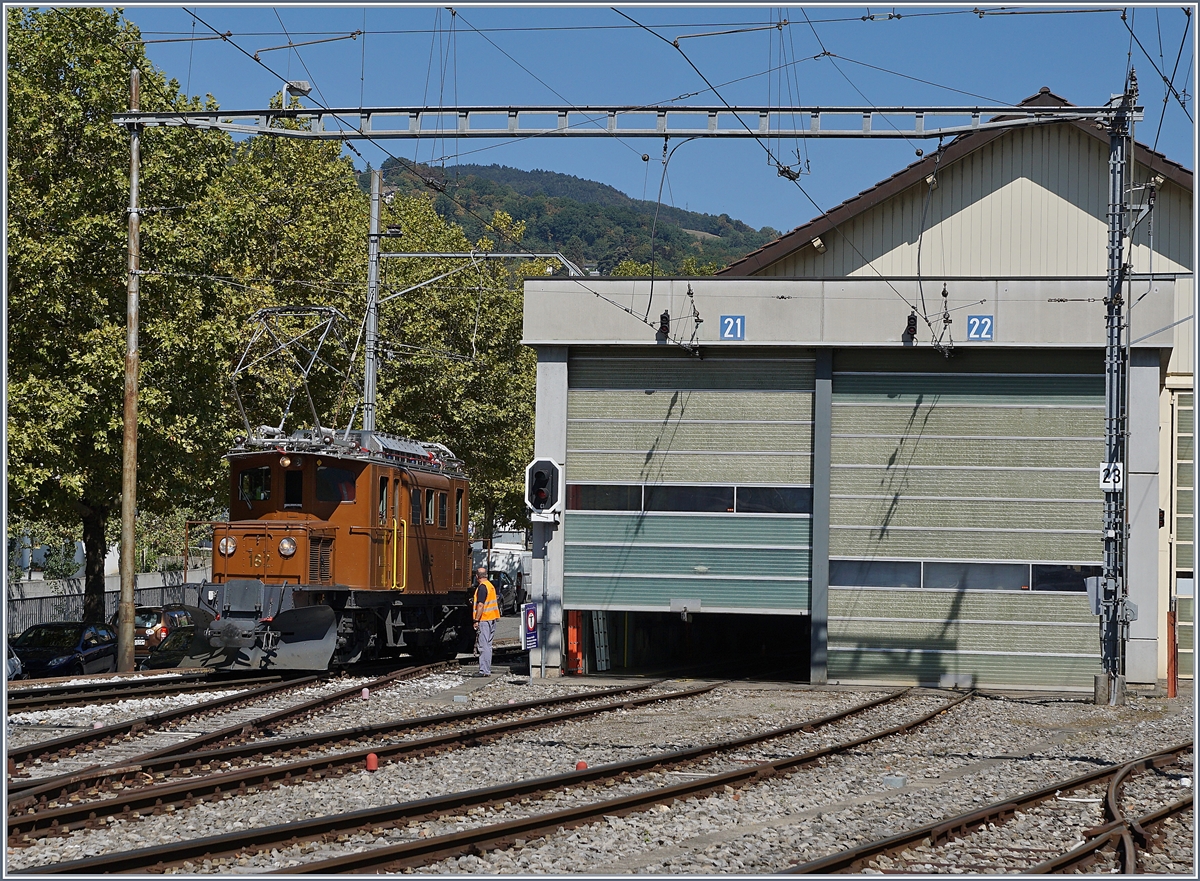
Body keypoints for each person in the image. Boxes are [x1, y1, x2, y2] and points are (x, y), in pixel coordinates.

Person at [472, 566, 500, 677]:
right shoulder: (490, 586)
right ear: (486, 575)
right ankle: (486, 670)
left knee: (483, 646)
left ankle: (484, 671)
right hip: (492, 619)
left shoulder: (482, 587)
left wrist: (476, 620)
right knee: (488, 646)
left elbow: (480, 605)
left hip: (484, 619)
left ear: (477, 576)